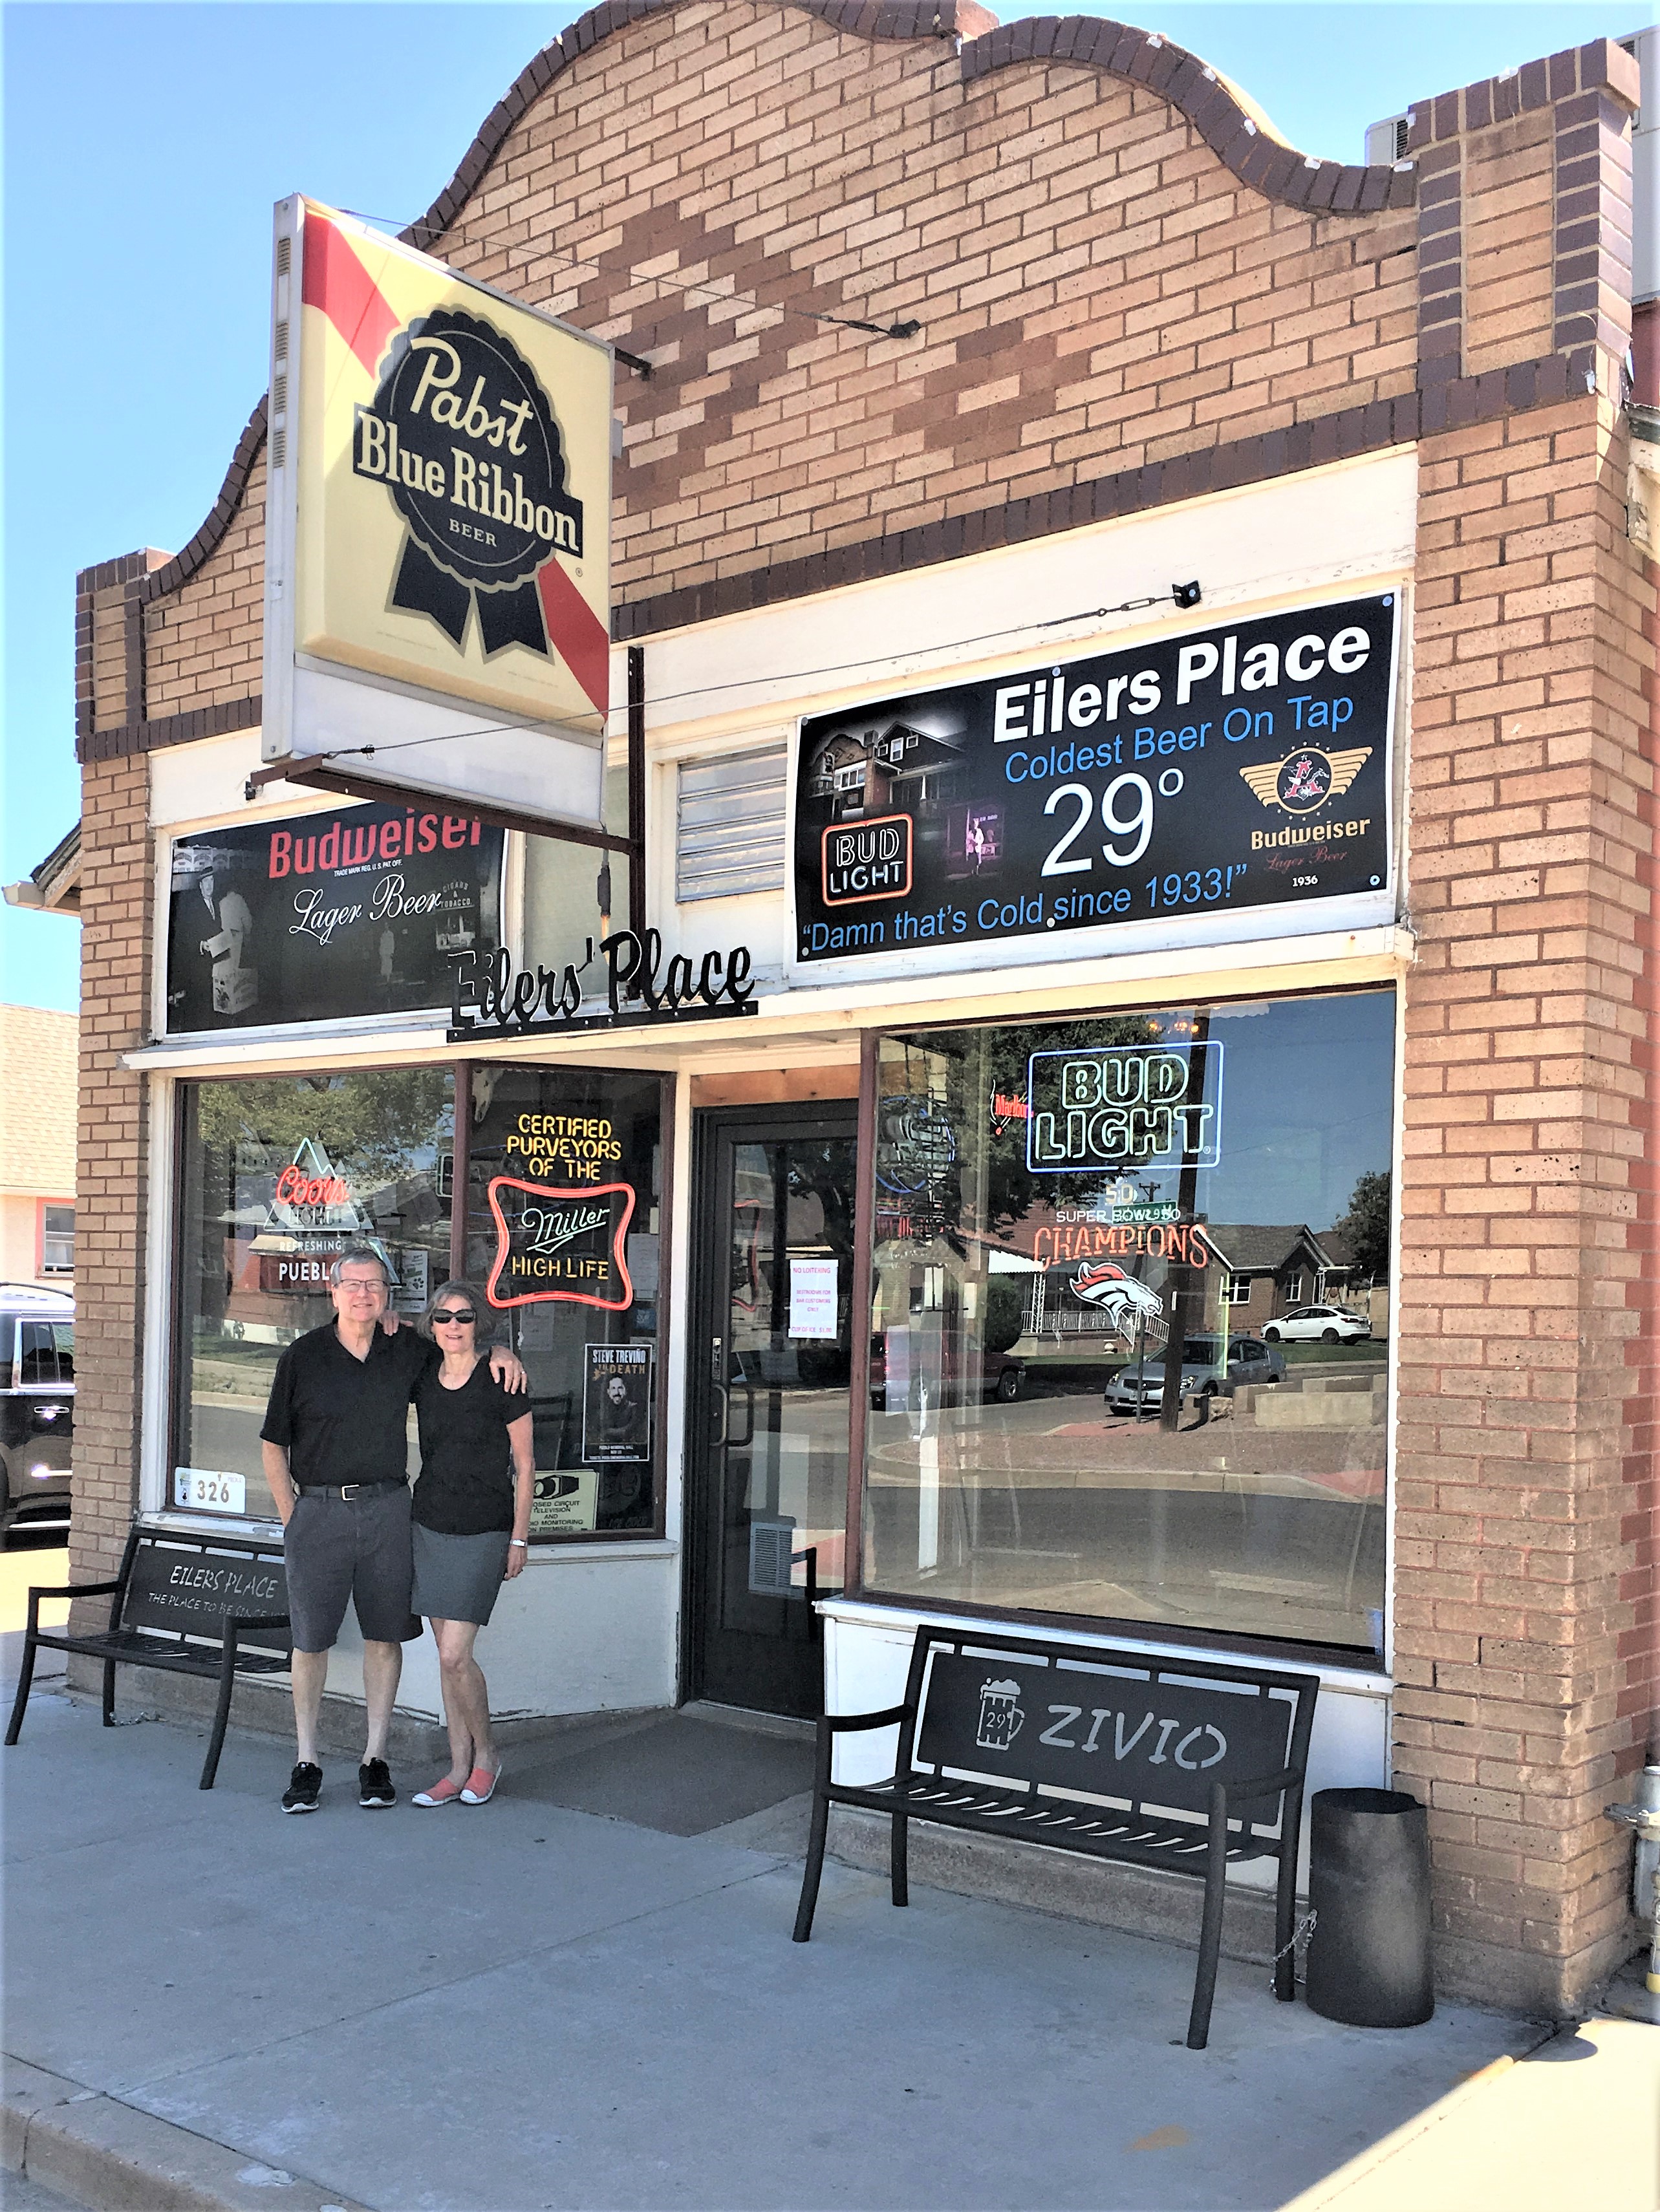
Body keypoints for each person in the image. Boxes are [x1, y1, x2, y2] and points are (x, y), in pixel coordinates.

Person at [259, 1245, 524, 1814]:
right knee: (310, 1641)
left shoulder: (405, 1349)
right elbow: (273, 1444)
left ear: (387, 1293)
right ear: (332, 1291)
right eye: (353, 1284)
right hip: (319, 1511)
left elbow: (461, 1344)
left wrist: (502, 1349)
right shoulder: (303, 1356)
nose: (364, 1293)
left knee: (385, 1636)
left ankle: (374, 1759)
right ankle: (306, 1761)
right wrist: (293, 1515)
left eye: (374, 1284)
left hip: (388, 1509)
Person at [408, 1282, 535, 1808]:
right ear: (431, 1323)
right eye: (443, 1317)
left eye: (463, 1316)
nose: (453, 1325)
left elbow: (525, 1464)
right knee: (446, 1658)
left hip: (485, 1527)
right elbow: (384, 1335)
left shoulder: (502, 1378)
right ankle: (457, 1766)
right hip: (429, 1524)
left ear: (478, 1323)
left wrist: (519, 1536)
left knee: (455, 1654)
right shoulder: (422, 1373)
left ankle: (487, 1757)